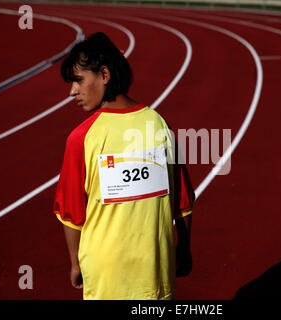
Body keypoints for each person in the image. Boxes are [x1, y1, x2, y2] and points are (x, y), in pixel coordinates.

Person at [53, 32, 195, 300]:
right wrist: (184, 249)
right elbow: (183, 203)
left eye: (78, 81)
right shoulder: (159, 125)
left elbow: (71, 214)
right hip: (156, 271)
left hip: (106, 277)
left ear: (104, 75)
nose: (72, 91)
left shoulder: (81, 138)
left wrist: (76, 263)